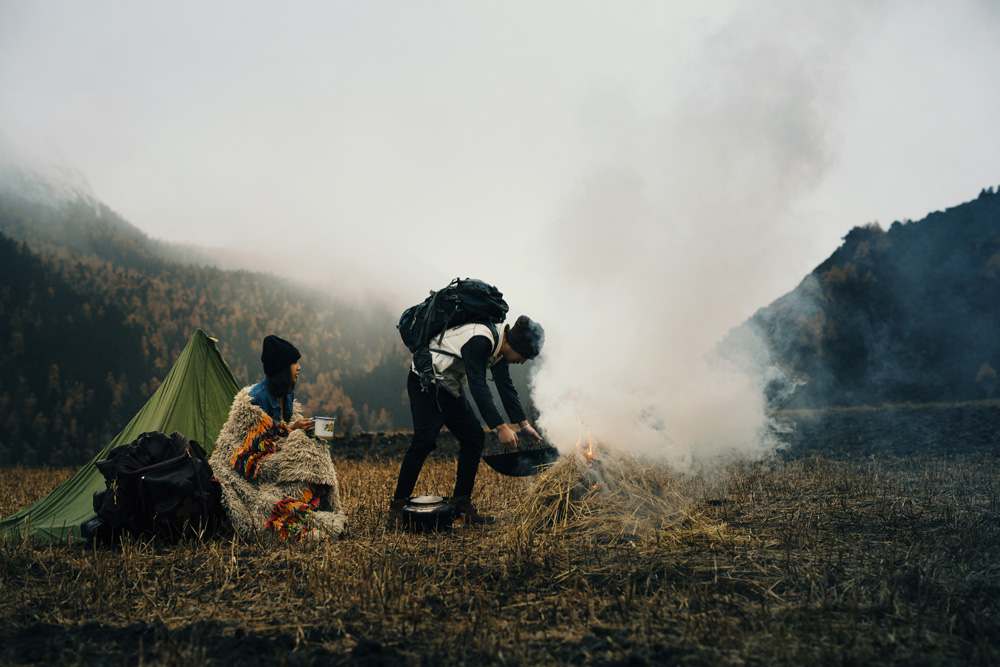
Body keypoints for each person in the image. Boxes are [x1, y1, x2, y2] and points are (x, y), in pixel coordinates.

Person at [390, 315, 545, 525]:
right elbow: (478, 386)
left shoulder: (499, 348)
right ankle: (398, 507)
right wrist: (501, 427)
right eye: (524, 355)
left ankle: (460, 507)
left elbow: (505, 387)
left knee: (473, 437)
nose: (522, 361)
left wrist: (523, 426)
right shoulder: (481, 340)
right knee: (424, 441)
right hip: (426, 382)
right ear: (514, 344)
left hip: (450, 386)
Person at [209, 335, 348, 542]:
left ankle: (319, 501)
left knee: (316, 448)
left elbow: (284, 431)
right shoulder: (257, 399)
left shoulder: (287, 396)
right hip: (256, 463)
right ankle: (298, 508)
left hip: (278, 453)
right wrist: (293, 430)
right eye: (295, 363)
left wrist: (304, 430)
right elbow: (253, 446)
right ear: (283, 367)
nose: (299, 368)